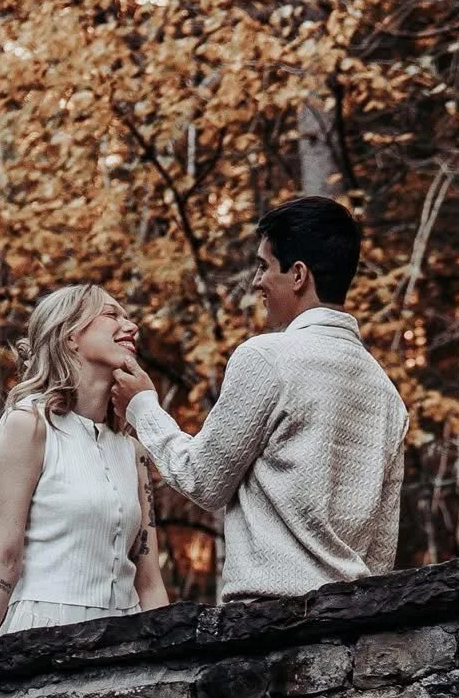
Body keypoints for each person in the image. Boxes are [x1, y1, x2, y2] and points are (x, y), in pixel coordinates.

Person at [110, 196, 408, 602]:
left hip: (268, 622)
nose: (256, 281)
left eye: (264, 266)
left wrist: (144, 407)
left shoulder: (268, 358)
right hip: (350, 626)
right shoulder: (386, 393)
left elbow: (203, 480)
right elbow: (382, 550)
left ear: (298, 274)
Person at [0, 285, 167, 647]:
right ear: (71, 335)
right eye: (112, 314)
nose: (131, 325)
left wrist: (168, 659)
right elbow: (4, 558)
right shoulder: (29, 425)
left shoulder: (131, 449)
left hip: (128, 643)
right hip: (44, 636)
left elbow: (148, 581)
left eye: (127, 316)